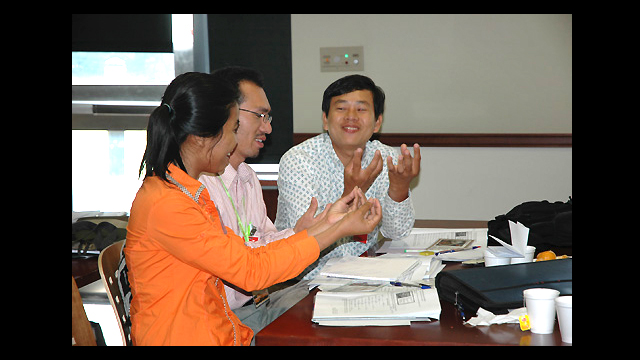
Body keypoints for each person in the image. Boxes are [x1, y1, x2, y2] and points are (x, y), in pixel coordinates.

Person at [124, 72, 382, 346]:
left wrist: (329, 223)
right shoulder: (167, 203)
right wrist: (338, 229)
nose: (234, 142)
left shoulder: (187, 192)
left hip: (222, 332)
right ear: (203, 136)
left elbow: (250, 255)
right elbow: (251, 271)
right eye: (233, 129)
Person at [198, 67, 321, 337]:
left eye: (269, 117)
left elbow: (262, 243)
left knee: (319, 306)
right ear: (226, 114)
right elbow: (246, 267)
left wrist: (301, 232)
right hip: (218, 322)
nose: (268, 127)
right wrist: (312, 235)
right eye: (260, 116)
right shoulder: (199, 185)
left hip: (254, 305)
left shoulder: (247, 176)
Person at [275, 74, 421, 280]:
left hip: (366, 272)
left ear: (377, 122)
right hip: (304, 280)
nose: (351, 116)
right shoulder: (299, 161)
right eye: (341, 108)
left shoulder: (385, 157)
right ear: (325, 119)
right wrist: (350, 193)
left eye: (361, 109)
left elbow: (396, 233)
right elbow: (306, 240)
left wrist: (399, 189)